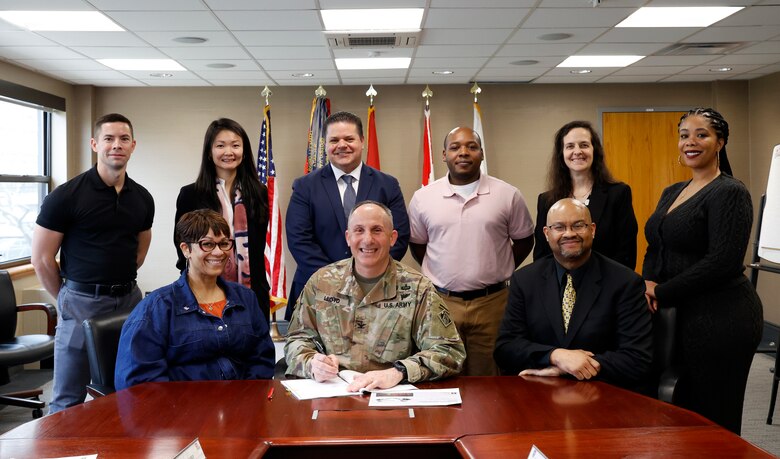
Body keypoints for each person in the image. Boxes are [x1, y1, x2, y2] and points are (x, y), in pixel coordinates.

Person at [643, 108, 763, 434]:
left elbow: (722, 261)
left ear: (720, 142)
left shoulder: (730, 192)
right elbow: (657, 244)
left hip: (721, 318)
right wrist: (646, 283)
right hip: (677, 315)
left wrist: (661, 291)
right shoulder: (673, 191)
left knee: (714, 413)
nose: (690, 142)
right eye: (684, 135)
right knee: (679, 404)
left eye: (701, 134)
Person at [31, 113, 155, 414]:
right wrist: (65, 298)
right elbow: (42, 258)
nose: (117, 145)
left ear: (133, 145)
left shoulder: (142, 198)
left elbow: (140, 247)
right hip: (81, 302)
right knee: (67, 398)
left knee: (128, 388)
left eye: (124, 139)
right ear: (95, 144)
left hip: (128, 301)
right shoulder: (66, 196)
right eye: (109, 139)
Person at [285, 201, 464, 391]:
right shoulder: (321, 283)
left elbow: (449, 351)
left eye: (377, 230)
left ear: (392, 237)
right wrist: (312, 363)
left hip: (392, 395)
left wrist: (399, 372)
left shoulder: (418, 289)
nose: (367, 239)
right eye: (359, 230)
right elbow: (297, 340)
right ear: (348, 237)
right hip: (333, 392)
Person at [408, 127, 534, 376]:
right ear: (444, 154)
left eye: (471, 146)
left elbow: (524, 241)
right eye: (455, 147)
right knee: (440, 373)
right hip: (441, 303)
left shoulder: (508, 195)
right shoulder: (423, 198)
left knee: (489, 379)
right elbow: (418, 244)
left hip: (492, 303)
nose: (463, 153)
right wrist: (445, 272)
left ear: (481, 153)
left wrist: (497, 266)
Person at [494, 198, 652, 390]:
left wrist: (566, 369)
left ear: (592, 230)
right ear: (547, 233)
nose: (569, 234)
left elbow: (637, 359)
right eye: (559, 227)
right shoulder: (525, 280)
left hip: (603, 394)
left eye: (578, 225)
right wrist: (556, 356)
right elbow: (506, 349)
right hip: (539, 395)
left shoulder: (625, 282)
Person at [115, 209, 274, 390]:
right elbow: (140, 382)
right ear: (186, 249)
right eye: (207, 244)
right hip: (182, 411)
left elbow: (262, 358)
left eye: (224, 244)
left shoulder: (246, 299)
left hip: (241, 407)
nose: (218, 252)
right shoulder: (156, 309)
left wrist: (247, 397)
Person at [285, 111, 410, 321]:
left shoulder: (387, 185)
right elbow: (300, 241)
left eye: (349, 139)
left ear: (362, 141)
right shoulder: (305, 187)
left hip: (376, 291)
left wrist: (367, 276)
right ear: (326, 145)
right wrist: (337, 280)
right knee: (317, 354)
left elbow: (398, 237)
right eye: (334, 140)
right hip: (318, 291)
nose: (342, 145)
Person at [175, 118, 270, 320]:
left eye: (235, 145)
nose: (229, 152)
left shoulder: (259, 193)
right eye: (220, 145)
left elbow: (263, 242)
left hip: (251, 289)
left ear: (244, 151)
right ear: (209, 152)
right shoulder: (191, 194)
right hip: (202, 288)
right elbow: (180, 242)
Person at [534, 121, 638, 269]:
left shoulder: (619, 193)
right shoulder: (546, 200)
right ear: (561, 154)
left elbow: (626, 252)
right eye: (570, 146)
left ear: (594, 150)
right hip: (560, 287)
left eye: (584, 145)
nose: (577, 151)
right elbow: (542, 255)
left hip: (607, 284)